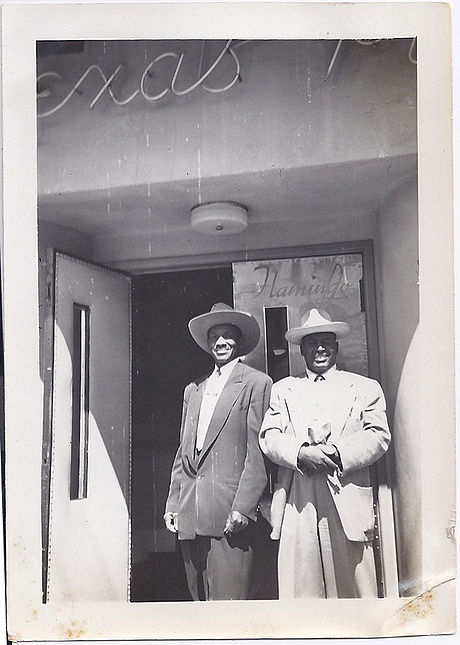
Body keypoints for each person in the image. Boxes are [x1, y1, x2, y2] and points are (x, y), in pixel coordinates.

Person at [259, 308, 391, 598]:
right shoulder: (284, 390)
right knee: (301, 591)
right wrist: (300, 453)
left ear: (336, 346)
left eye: (326, 341)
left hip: (346, 492)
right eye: (312, 342)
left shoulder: (365, 387)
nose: (320, 348)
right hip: (299, 496)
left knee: (355, 591)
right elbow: (269, 436)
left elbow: (379, 435)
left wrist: (337, 452)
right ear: (301, 349)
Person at [164, 302, 272, 600]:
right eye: (215, 336)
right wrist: (173, 503)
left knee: (229, 606)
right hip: (190, 513)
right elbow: (183, 453)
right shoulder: (194, 389)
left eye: (227, 335)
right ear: (207, 342)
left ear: (239, 341)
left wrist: (244, 507)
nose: (221, 342)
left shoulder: (256, 384)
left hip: (229, 516)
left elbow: (258, 454)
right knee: (199, 603)